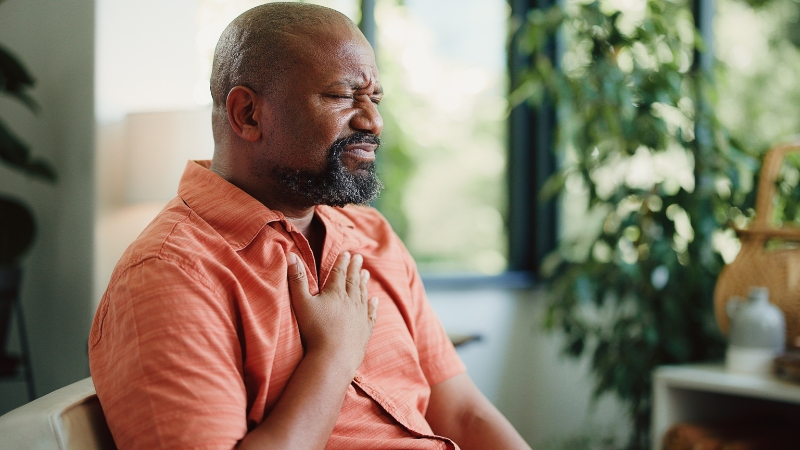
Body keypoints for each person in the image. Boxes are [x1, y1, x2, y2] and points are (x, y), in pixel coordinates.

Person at [88, 3, 531, 449]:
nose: (373, 122)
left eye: (375, 99)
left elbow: (464, 413)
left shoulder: (372, 236)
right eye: (342, 97)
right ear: (248, 114)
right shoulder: (170, 274)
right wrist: (334, 355)